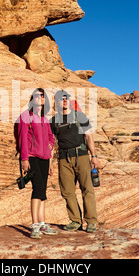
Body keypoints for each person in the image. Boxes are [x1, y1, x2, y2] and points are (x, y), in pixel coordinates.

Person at [50, 90, 99, 233]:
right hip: (63, 159)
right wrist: (50, 163)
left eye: (66, 98)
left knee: (87, 189)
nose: (64, 101)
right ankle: (76, 221)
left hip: (81, 156)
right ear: (57, 102)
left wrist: (94, 156)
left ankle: (90, 222)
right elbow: (52, 144)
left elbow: (89, 137)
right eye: (61, 99)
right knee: (67, 191)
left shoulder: (80, 116)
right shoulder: (53, 121)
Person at [17, 88, 58, 239]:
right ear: (32, 99)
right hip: (32, 156)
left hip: (44, 158)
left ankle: (42, 224)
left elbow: (51, 137)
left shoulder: (44, 119)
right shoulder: (25, 116)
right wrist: (24, 158)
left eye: (42, 96)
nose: (40, 98)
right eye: (37, 96)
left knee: (43, 191)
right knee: (37, 187)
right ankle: (34, 225)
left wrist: (50, 148)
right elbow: (22, 138)